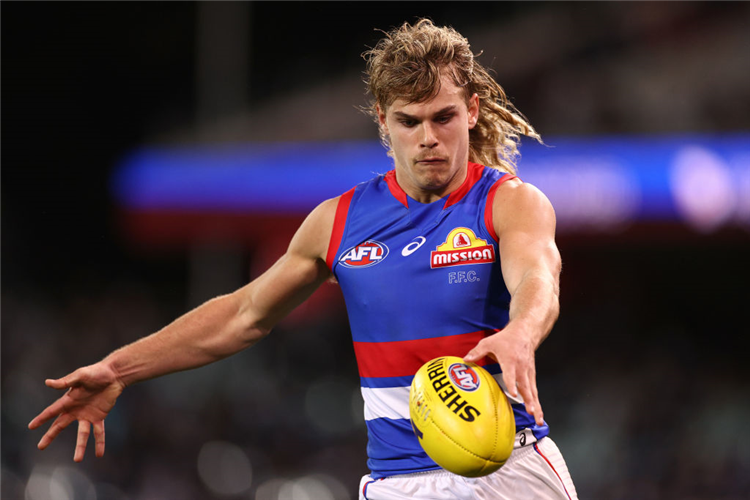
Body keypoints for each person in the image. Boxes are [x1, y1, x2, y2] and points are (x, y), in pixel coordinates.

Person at [29, 19, 577, 499]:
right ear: (383, 120)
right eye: (410, 121)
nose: (428, 138)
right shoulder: (337, 222)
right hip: (399, 482)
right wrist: (120, 369)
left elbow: (538, 274)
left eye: (444, 117)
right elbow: (243, 315)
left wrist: (520, 333)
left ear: (472, 111)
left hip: (514, 468)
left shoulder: (508, 203)